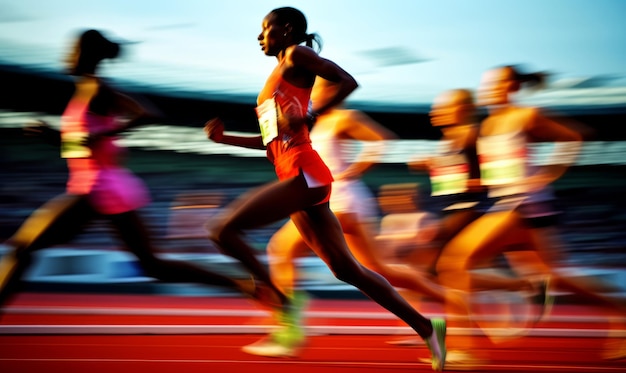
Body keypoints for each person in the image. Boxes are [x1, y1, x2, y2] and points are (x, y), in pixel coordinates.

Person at [203, 7, 447, 370]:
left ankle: (282, 305)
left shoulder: (295, 54)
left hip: (305, 171)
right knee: (348, 270)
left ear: (286, 30)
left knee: (223, 229)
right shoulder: (275, 76)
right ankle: (428, 327)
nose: (259, 37)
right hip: (291, 173)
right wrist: (227, 140)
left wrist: (309, 116)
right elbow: (271, 141)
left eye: (264, 29)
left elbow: (347, 81)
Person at [0, 29, 266, 311]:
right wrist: (57, 138)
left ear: (87, 55)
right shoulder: (85, 91)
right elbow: (85, 146)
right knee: (153, 265)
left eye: (73, 50)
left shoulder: (97, 89)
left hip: (97, 185)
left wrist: (104, 134)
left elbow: (148, 114)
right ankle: (246, 287)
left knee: (21, 248)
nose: (68, 55)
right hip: (104, 185)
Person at [242, 78, 463, 358]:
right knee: (379, 269)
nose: (312, 94)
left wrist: (357, 168)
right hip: (335, 199)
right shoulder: (315, 123)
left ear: (331, 90)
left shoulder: (344, 117)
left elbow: (383, 139)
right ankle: (454, 302)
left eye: (318, 88)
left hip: (339, 198)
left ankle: (290, 327)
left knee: (281, 250)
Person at [435, 65, 625, 361]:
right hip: (511, 203)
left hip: (523, 206)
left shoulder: (527, 115)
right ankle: (620, 311)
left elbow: (575, 136)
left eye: (496, 84)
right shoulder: (488, 124)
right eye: (486, 85)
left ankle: (464, 350)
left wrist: (547, 174)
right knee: (555, 280)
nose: (489, 90)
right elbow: (500, 169)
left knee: (454, 264)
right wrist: (471, 181)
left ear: (512, 87)